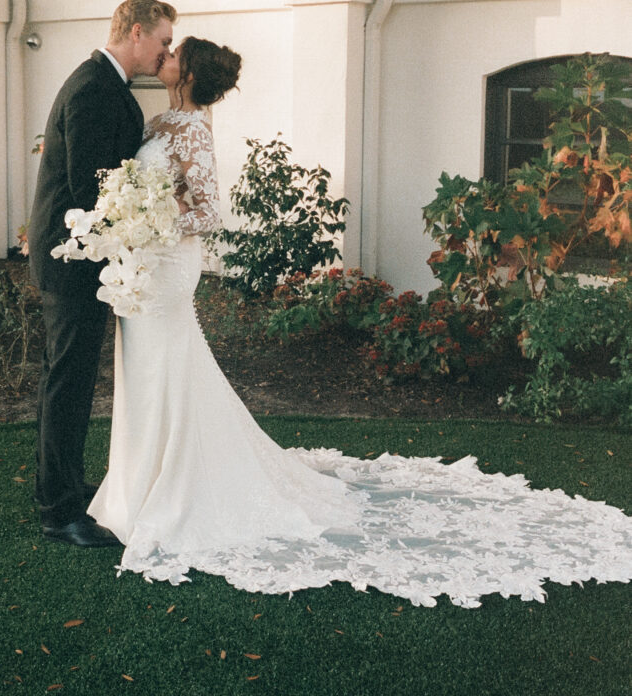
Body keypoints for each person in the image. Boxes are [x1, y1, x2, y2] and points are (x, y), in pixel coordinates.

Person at [87, 37, 632, 606]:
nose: (165, 55)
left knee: (165, 365)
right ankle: (138, 483)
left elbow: (207, 211)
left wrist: (152, 220)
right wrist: (130, 215)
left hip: (168, 264)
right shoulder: (161, 122)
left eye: (175, 52)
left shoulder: (193, 129)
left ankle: (171, 486)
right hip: (141, 264)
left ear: (188, 72)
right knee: (147, 370)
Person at [28, 0, 176, 547]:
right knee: (67, 380)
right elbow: (93, 187)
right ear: (136, 32)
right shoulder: (92, 88)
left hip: (88, 257)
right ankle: (58, 510)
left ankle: (64, 485)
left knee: (71, 378)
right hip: (72, 259)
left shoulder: (106, 84)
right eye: (162, 40)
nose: (165, 51)